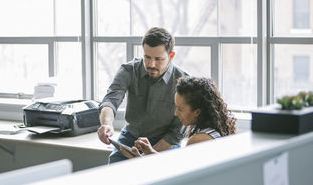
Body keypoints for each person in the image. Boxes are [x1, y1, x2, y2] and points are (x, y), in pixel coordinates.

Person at [97, 27, 188, 163]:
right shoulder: (128, 70)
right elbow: (110, 100)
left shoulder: (183, 81)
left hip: (166, 140)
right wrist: (107, 124)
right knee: (115, 168)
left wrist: (146, 156)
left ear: (171, 56)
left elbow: (177, 132)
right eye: (147, 57)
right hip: (131, 136)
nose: (151, 64)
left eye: (158, 59)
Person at [120, 76, 237, 158]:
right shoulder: (212, 132)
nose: (175, 114)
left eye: (180, 109)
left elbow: (176, 174)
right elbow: (178, 167)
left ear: (197, 112)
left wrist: (140, 161)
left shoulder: (198, 141)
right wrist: (151, 153)